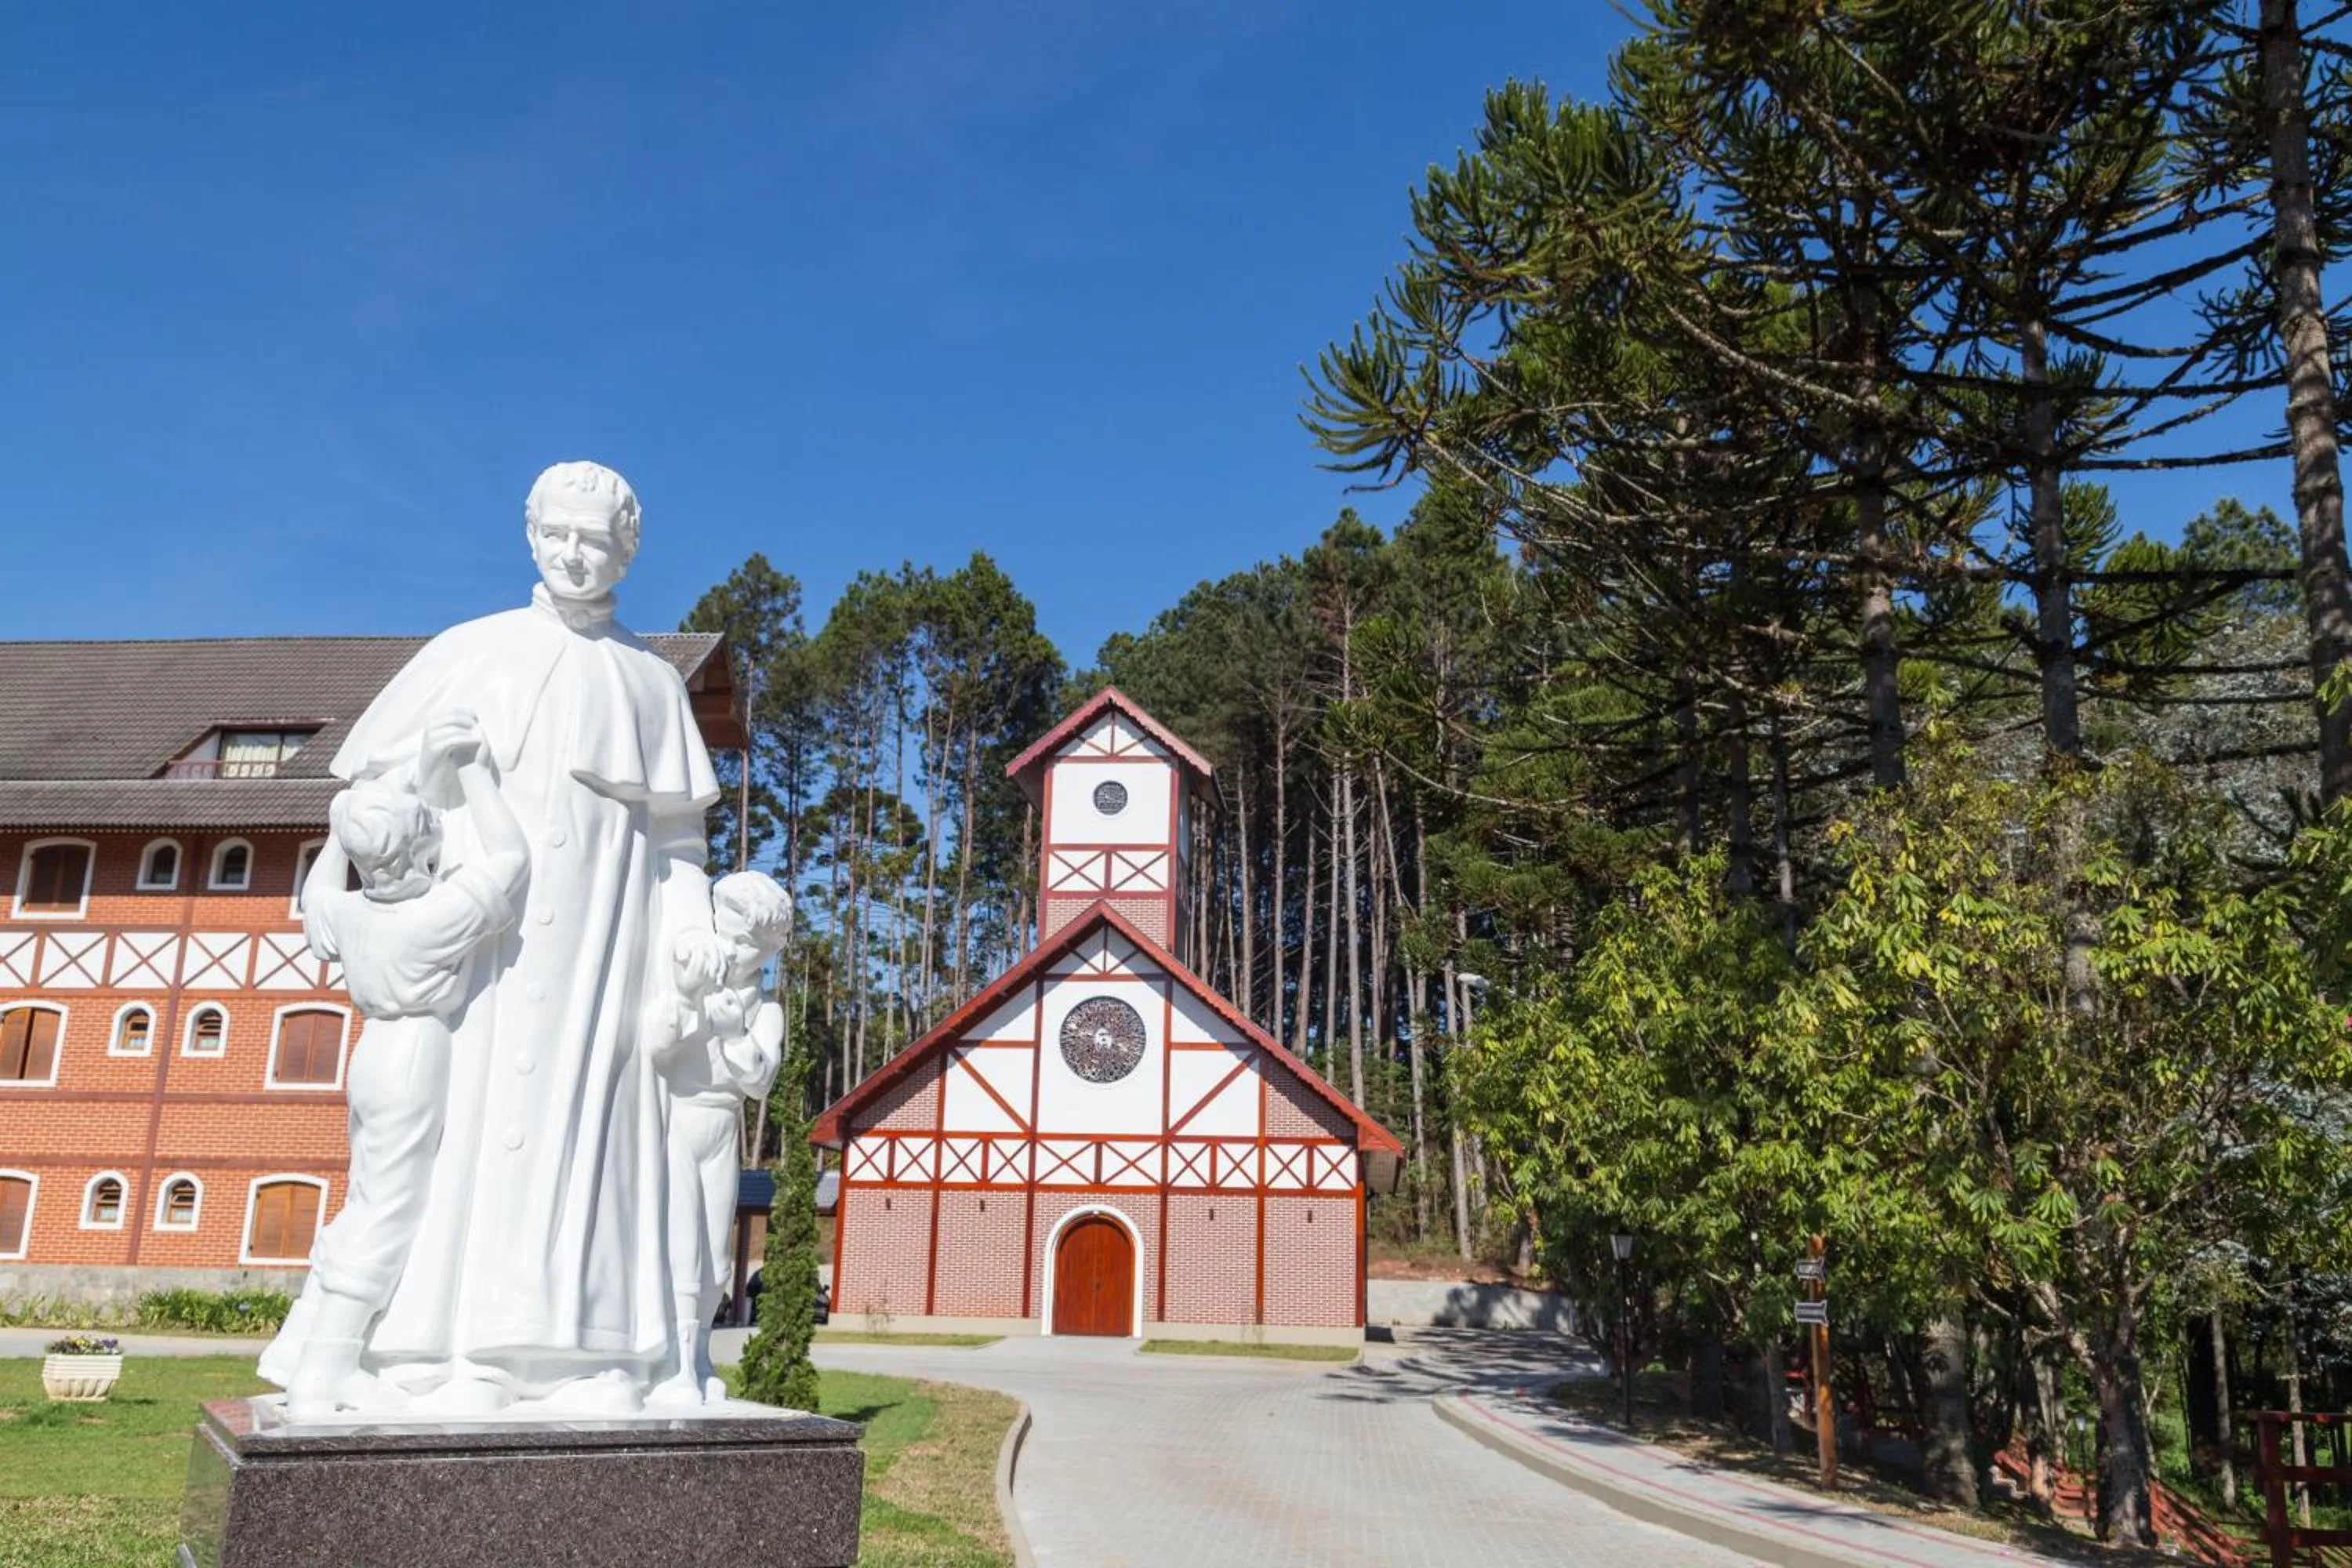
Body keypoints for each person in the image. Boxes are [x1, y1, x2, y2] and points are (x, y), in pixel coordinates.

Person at [312, 460, 723, 1414]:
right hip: (486, 957)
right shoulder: (470, 650)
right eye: (560, 536)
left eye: (599, 540)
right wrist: (427, 765)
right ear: (532, 535)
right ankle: (435, 1351)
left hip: (603, 948)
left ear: (628, 550)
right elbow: (369, 806)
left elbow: (679, 834)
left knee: (594, 1135)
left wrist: (693, 917)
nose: (578, 555)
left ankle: (595, 1359)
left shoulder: (652, 683)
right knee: (469, 1138)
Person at [256, 712, 529, 1417]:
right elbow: (511, 861)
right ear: (420, 853)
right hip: (414, 1055)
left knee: (367, 1197)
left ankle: (312, 1354)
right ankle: (328, 1365)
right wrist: (471, 769)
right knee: (389, 1208)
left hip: (372, 1054)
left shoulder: (350, 914)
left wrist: (345, 822)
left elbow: (317, 895)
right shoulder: (430, 917)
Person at [650, 870, 789, 1408]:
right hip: (677, 1119)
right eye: (726, 936)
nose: (732, 951)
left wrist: (734, 1032)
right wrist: (686, 1002)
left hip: (723, 1124)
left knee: (715, 1254)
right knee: (679, 1244)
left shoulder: (765, 1009)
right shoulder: (688, 981)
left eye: (746, 945)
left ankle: (701, 1353)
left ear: (768, 950)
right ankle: (677, 1364)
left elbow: (760, 1082)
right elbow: (657, 1048)